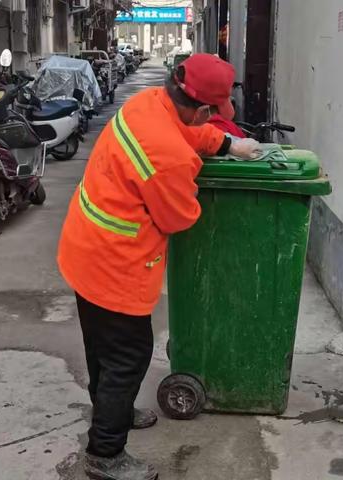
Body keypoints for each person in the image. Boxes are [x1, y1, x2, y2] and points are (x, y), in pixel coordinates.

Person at [57, 54, 261, 480]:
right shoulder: (169, 156)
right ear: (203, 109)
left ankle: (113, 411)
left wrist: (228, 144)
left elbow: (189, 133)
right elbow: (178, 218)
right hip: (115, 264)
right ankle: (105, 455)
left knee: (102, 348)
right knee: (128, 357)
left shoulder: (148, 103)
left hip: (84, 246)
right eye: (214, 115)